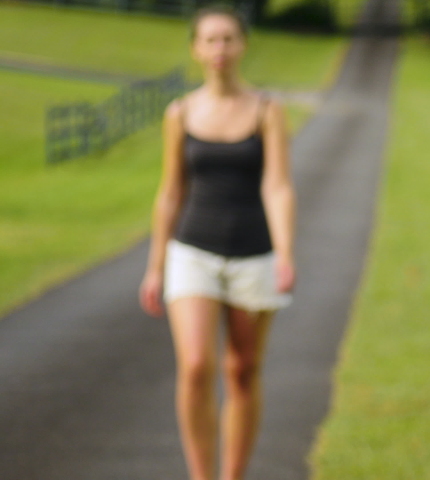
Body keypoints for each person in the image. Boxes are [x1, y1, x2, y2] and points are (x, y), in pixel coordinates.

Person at [138, 5, 296, 480]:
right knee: (195, 365)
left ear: (243, 45)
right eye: (210, 40)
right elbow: (170, 192)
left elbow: (278, 185)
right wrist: (155, 265)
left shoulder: (267, 111)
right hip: (193, 253)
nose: (220, 49)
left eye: (228, 38)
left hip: (253, 253)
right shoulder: (180, 113)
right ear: (196, 49)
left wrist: (286, 252)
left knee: (242, 370)